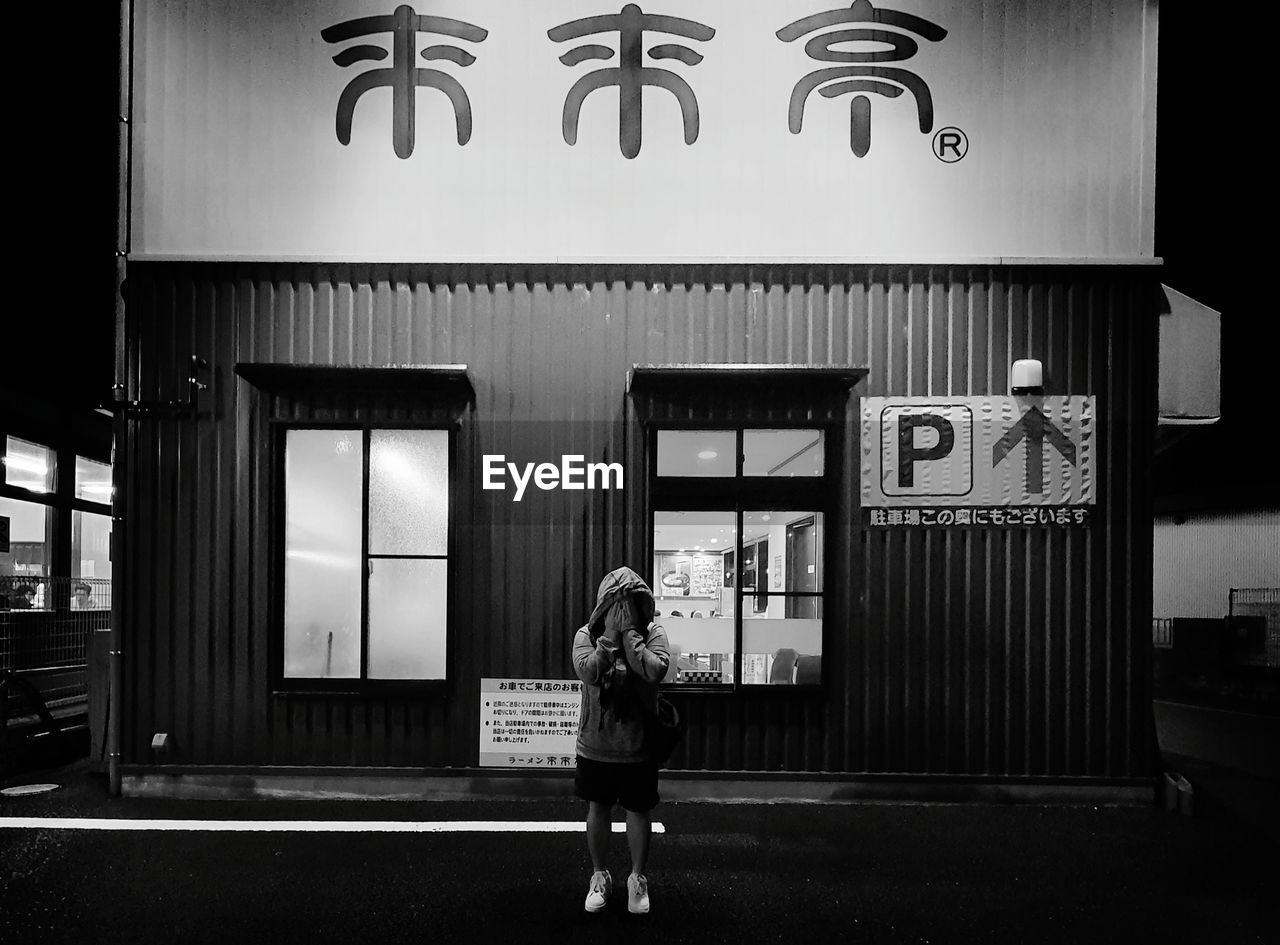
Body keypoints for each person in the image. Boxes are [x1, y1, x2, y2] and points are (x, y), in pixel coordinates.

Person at [572, 566, 670, 915]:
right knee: (597, 807)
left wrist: (630, 636)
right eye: (615, 602)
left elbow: (655, 670)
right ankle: (599, 876)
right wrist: (610, 635)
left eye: (629, 602)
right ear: (603, 605)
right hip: (595, 745)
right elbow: (587, 671)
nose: (623, 608)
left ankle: (637, 879)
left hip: (638, 746)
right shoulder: (587, 634)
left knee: (638, 810)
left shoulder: (653, 633)